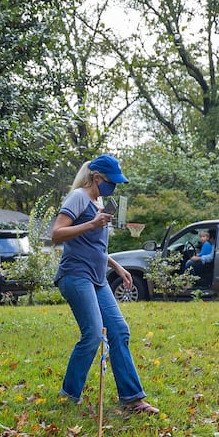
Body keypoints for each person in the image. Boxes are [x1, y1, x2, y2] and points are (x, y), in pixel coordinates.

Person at [49, 154, 160, 415]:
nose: (114, 187)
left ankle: (132, 399)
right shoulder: (78, 197)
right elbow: (56, 234)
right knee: (94, 334)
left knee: (119, 330)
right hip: (75, 276)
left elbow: (94, 247)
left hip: (97, 279)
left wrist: (118, 267)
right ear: (97, 177)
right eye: (111, 181)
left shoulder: (99, 203)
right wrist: (92, 223)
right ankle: (69, 396)